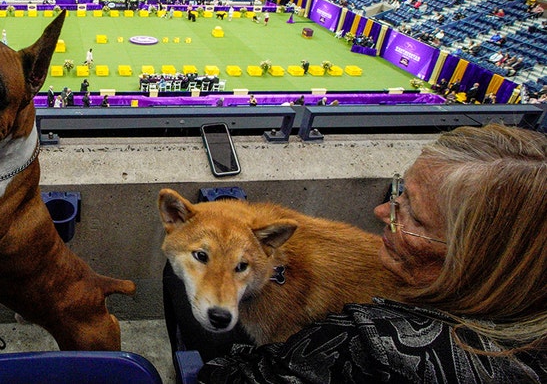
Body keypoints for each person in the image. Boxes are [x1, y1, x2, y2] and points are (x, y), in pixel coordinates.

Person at [175, 124, 547, 383]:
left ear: (476, 257)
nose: (382, 212)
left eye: (411, 213)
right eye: (397, 193)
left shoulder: (375, 342)